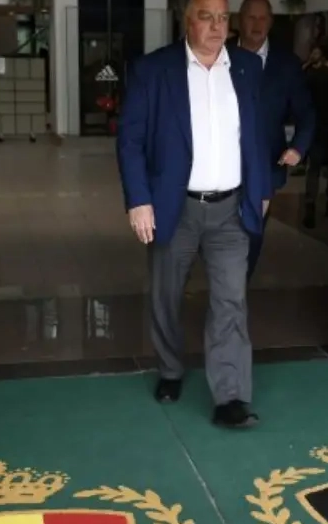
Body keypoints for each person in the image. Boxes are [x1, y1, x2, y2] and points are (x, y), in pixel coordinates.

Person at [116, 0, 272, 428]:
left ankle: (231, 396)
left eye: (223, 18)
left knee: (231, 300)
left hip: (231, 210)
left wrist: (262, 189)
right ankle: (170, 369)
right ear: (187, 20)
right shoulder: (154, 70)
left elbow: (257, 135)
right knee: (165, 296)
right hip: (175, 207)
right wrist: (139, 200)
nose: (217, 26)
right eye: (207, 17)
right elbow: (130, 140)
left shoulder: (246, 67)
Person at [235, 0, 315, 278]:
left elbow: (306, 112)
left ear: (270, 22)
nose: (257, 25)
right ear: (239, 20)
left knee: (251, 235)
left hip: (266, 165)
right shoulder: (221, 56)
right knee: (218, 237)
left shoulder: (287, 65)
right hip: (221, 164)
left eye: (263, 18)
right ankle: (229, 288)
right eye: (251, 18)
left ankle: (237, 290)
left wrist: (298, 148)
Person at [303, 38, 328, 227]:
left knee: (314, 169)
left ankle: (310, 206)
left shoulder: (314, 76)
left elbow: (306, 102)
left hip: (317, 128)